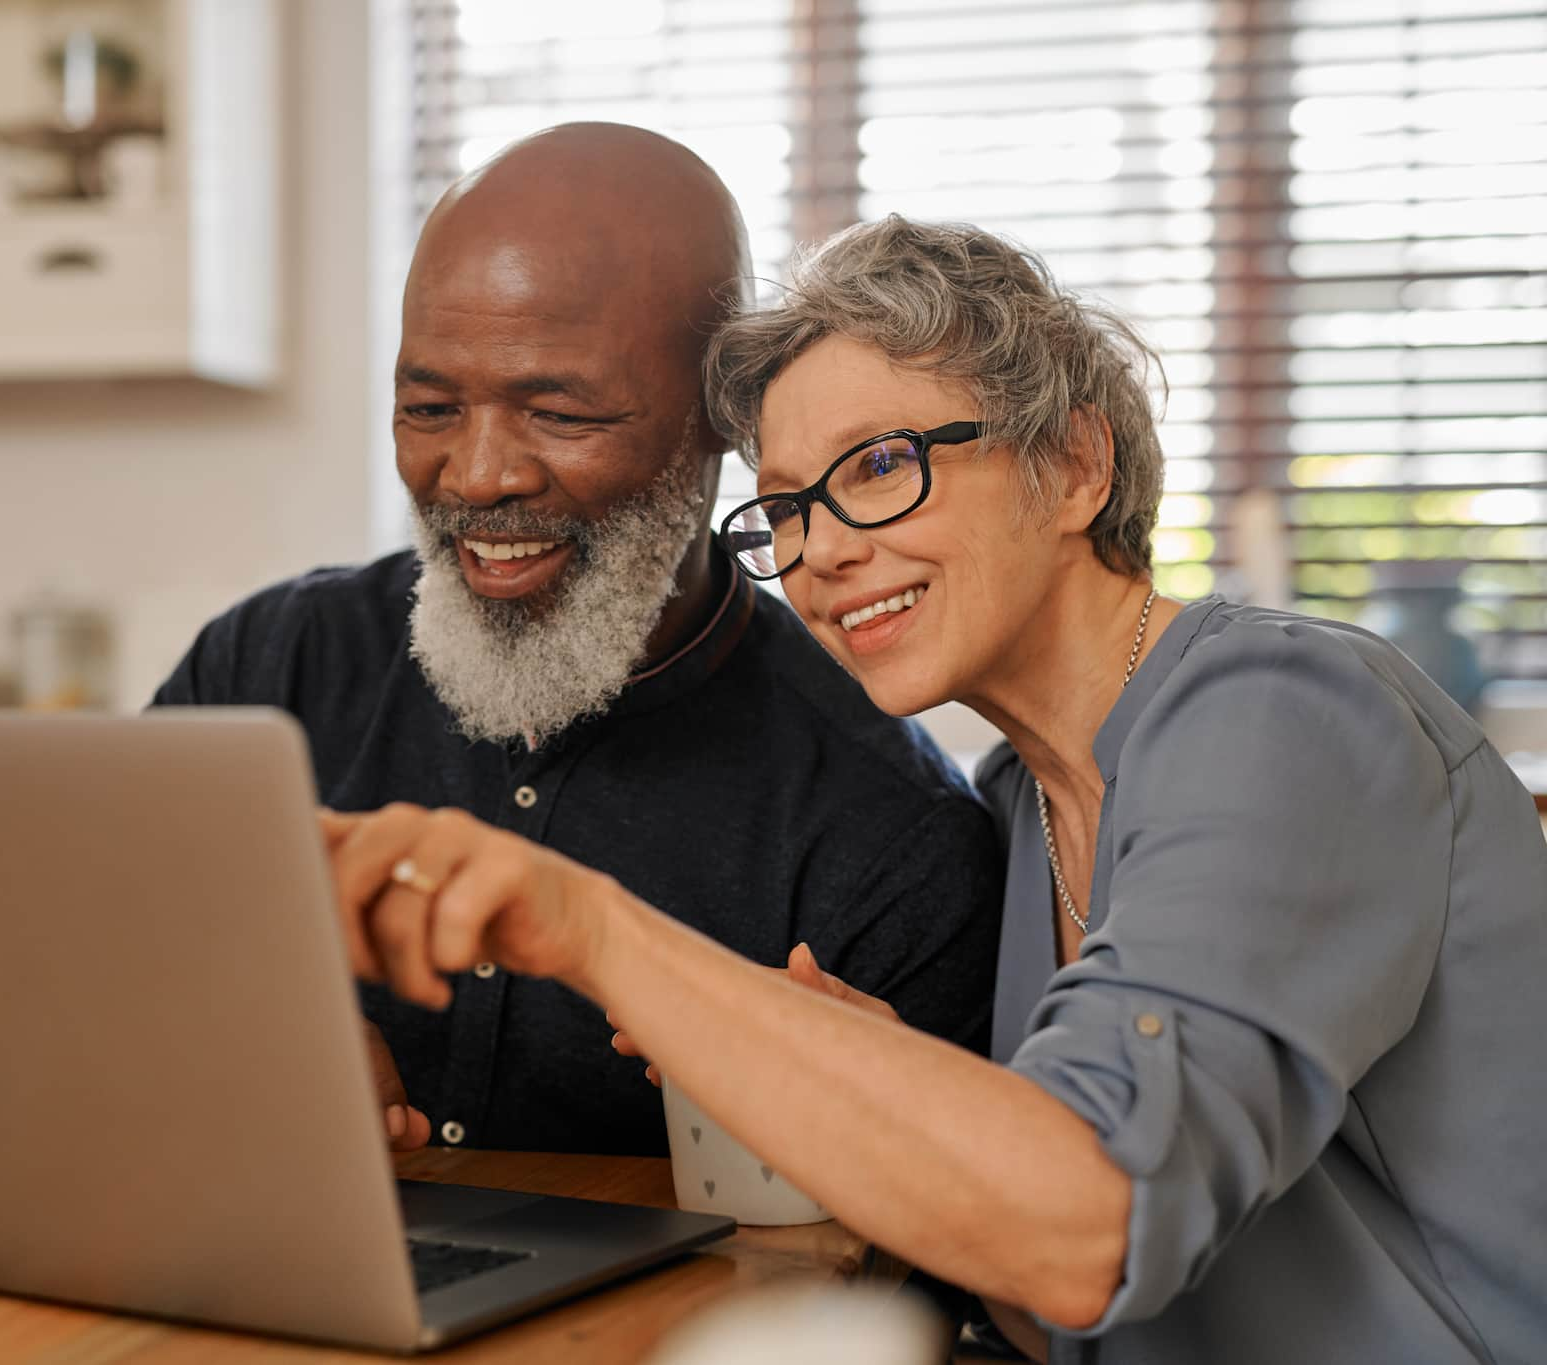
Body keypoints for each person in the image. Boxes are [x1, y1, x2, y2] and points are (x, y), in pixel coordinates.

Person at [321, 215, 1547, 1362]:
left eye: (878, 467)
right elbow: (1042, 1306)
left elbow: (1086, 1232)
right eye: (787, 508)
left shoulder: (1281, 714)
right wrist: (859, 1082)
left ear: (1072, 465)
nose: (820, 552)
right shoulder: (1020, 798)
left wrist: (586, 925)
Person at [151, 130, 1003, 1157]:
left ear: (722, 420)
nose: (474, 476)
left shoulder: (887, 836)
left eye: (555, 411)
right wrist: (241, 1030)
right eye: (428, 407)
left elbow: (900, 1281)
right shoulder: (266, 672)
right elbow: (72, 959)